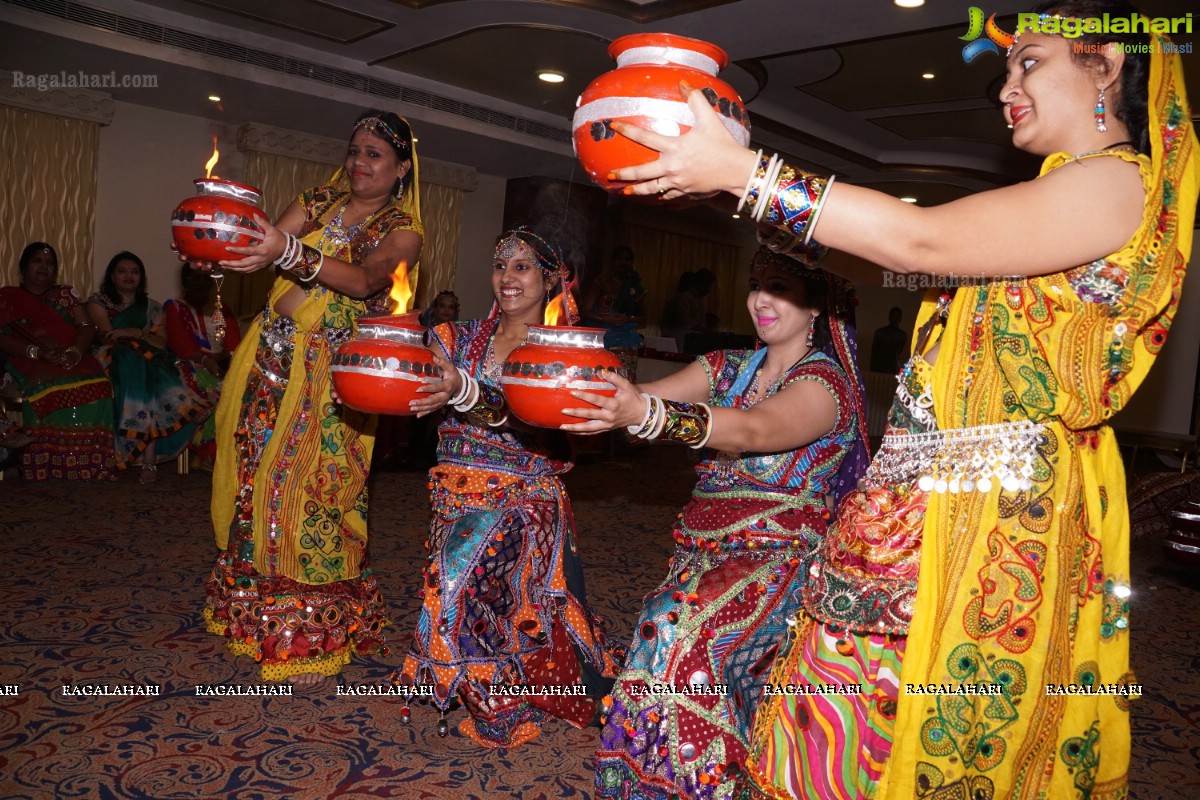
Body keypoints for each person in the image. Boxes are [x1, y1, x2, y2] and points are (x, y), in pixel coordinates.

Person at [606, 1, 1198, 797]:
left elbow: (922, 241)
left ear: (1108, 63)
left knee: (929, 732)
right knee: (835, 717)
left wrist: (749, 174)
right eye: (1006, 67)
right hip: (917, 501)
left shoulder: (1117, 185)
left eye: (1030, 61)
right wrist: (730, 197)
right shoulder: (1049, 204)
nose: (1005, 88)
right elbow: (892, 270)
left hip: (998, 519)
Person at [563, 246, 869, 800]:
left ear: (819, 305)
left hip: (780, 562)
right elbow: (642, 401)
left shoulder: (827, 386)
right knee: (662, 642)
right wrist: (584, 396)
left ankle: (704, 786)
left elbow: (751, 430)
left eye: (782, 288)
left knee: (673, 632)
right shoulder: (727, 366)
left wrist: (645, 415)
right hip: (701, 551)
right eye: (757, 284)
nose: (761, 299)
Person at [200, 109, 424, 686]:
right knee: (254, 477)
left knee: (311, 490)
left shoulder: (403, 230)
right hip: (269, 361)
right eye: (354, 150)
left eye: (375, 154)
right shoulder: (316, 200)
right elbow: (262, 246)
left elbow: (367, 279)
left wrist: (284, 249)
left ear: (401, 168)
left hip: (332, 380)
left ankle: (310, 631)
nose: (359, 162)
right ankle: (254, 617)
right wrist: (219, 248)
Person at [393, 228, 623, 747]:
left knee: (452, 583)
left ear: (548, 281)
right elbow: (414, 387)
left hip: (524, 495)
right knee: (483, 598)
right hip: (453, 493)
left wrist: (465, 390)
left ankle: (498, 700)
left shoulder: (560, 352)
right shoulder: (453, 338)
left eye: (522, 268)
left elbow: (526, 419)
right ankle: (506, 684)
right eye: (501, 266)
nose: (508, 278)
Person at [87, 252, 213, 482]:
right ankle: (180, 410)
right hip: (110, 357)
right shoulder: (98, 303)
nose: (129, 276)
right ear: (112, 277)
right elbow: (108, 336)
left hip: (147, 359)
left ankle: (149, 455)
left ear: (141, 278)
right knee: (137, 360)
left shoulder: (152, 307)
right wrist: (136, 337)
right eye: (122, 271)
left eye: (135, 272)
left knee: (144, 363)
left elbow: (161, 342)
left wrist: (134, 332)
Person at [0, 242, 116, 481]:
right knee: (37, 382)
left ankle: (90, 462)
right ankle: (35, 462)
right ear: (23, 267)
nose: (44, 267)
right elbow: (2, 336)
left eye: (49, 263)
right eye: (37, 261)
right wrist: (36, 352)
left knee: (99, 383)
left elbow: (85, 326)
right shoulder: (8, 297)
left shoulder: (65, 295)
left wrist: (74, 352)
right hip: (26, 358)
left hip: (69, 355)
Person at [163, 262, 244, 470]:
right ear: (185, 282)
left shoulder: (221, 309)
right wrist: (206, 360)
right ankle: (210, 453)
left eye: (205, 279)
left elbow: (234, 345)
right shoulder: (175, 307)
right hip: (187, 365)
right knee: (216, 391)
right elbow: (181, 345)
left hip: (220, 364)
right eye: (195, 278)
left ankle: (232, 454)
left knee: (241, 390)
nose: (200, 284)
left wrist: (224, 360)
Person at [582, 245, 646, 376]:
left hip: (627, 338)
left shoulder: (635, 285)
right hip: (602, 337)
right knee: (602, 374)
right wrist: (606, 319)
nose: (624, 262)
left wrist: (628, 319)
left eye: (627, 259)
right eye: (620, 258)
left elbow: (644, 318)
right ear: (612, 261)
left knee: (625, 376)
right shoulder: (602, 281)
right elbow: (585, 311)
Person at [659, 268, 715, 351]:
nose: (709, 289)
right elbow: (684, 320)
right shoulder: (684, 298)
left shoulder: (699, 300)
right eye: (709, 285)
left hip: (693, 342)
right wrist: (702, 328)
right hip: (681, 341)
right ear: (701, 282)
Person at [869, 306, 909, 374]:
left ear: (900, 319)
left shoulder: (902, 335)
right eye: (893, 316)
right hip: (879, 368)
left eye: (897, 317)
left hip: (893, 369)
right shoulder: (880, 332)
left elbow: (901, 355)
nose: (895, 319)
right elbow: (874, 353)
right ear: (889, 317)